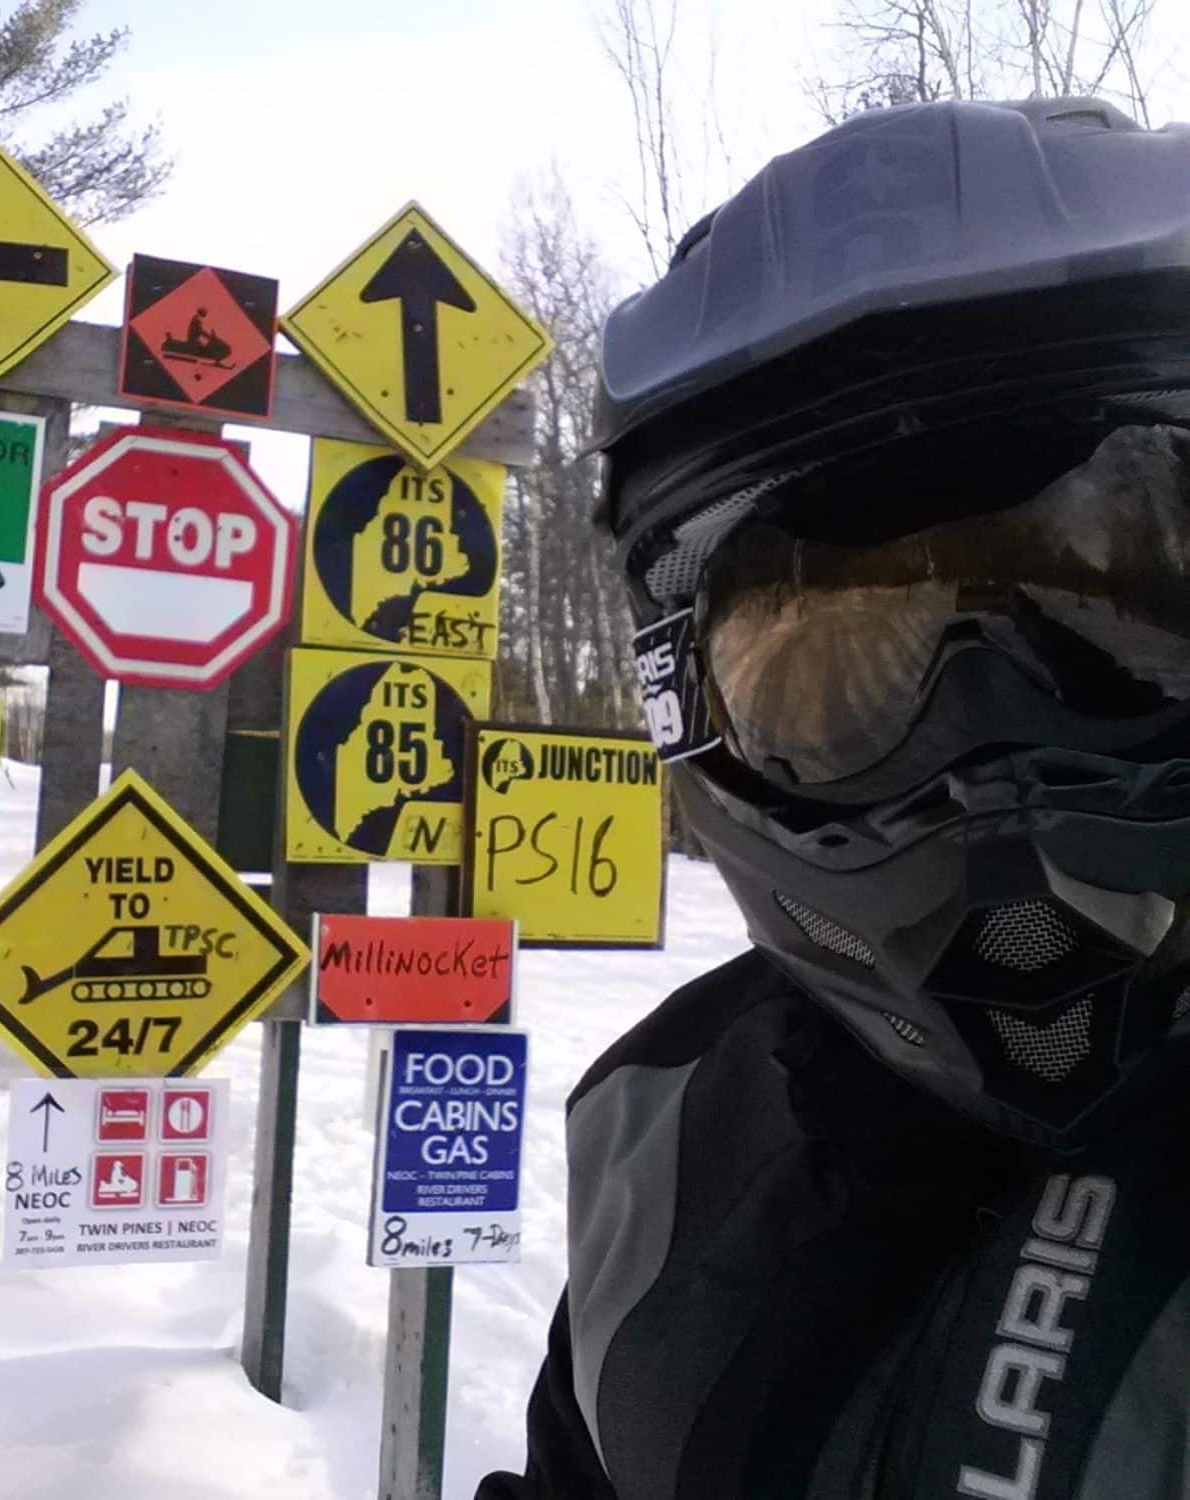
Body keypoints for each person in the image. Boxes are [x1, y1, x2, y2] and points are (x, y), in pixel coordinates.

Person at [478, 95, 1190, 1500]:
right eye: (839, 668)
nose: (985, 733)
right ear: (698, 704)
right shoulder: (669, 1136)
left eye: (1106, 604)